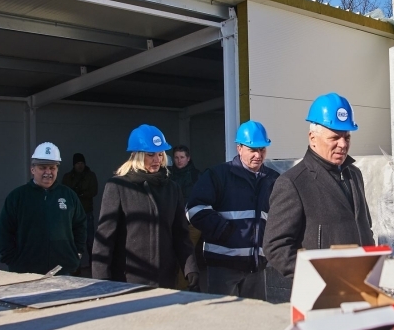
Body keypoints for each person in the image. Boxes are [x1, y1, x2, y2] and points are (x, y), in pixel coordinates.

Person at [263, 93, 375, 278]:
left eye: (347, 137)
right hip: (322, 293)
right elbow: (275, 247)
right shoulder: (293, 183)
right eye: (334, 138)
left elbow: (364, 227)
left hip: (361, 284)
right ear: (313, 138)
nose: (342, 144)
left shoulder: (354, 175)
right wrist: (317, 277)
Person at [92, 124, 201, 290]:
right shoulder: (118, 186)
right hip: (128, 281)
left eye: (160, 154)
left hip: (165, 280)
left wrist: (190, 268)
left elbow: (180, 234)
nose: (157, 160)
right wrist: (101, 281)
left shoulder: (172, 188)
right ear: (137, 155)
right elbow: (104, 239)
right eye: (151, 155)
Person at [186, 121, 279, 299]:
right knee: (223, 321)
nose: (258, 155)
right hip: (223, 267)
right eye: (253, 150)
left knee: (254, 321)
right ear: (239, 148)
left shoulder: (273, 180)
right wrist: (224, 230)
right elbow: (194, 209)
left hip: (257, 268)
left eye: (262, 149)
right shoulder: (218, 175)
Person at [0, 142, 86, 275]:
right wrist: (13, 260)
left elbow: (80, 225)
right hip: (26, 271)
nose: (48, 172)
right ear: (33, 169)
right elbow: (4, 232)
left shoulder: (68, 195)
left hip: (64, 269)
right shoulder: (18, 197)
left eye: (52, 168)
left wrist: (77, 253)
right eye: (43, 167)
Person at [168, 145, 205, 291]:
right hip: (172, 222)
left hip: (192, 223)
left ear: (188, 158)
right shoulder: (167, 176)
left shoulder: (197, 176)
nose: (179, 161)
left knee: (187, 255)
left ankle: (185, 288)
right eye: (176, 157)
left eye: (182, 157)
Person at [62, 152, 98, 267]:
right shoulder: (68, 177)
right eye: (78, 163)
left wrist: (81, 194)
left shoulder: (90, 175)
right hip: (72, 214)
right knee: (72, 240)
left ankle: (94, 266)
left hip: (87, 212)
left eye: (82, 163)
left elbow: (94, 191)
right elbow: (64, 192)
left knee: (90, 240)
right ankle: (74, 266)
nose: (80, 165)